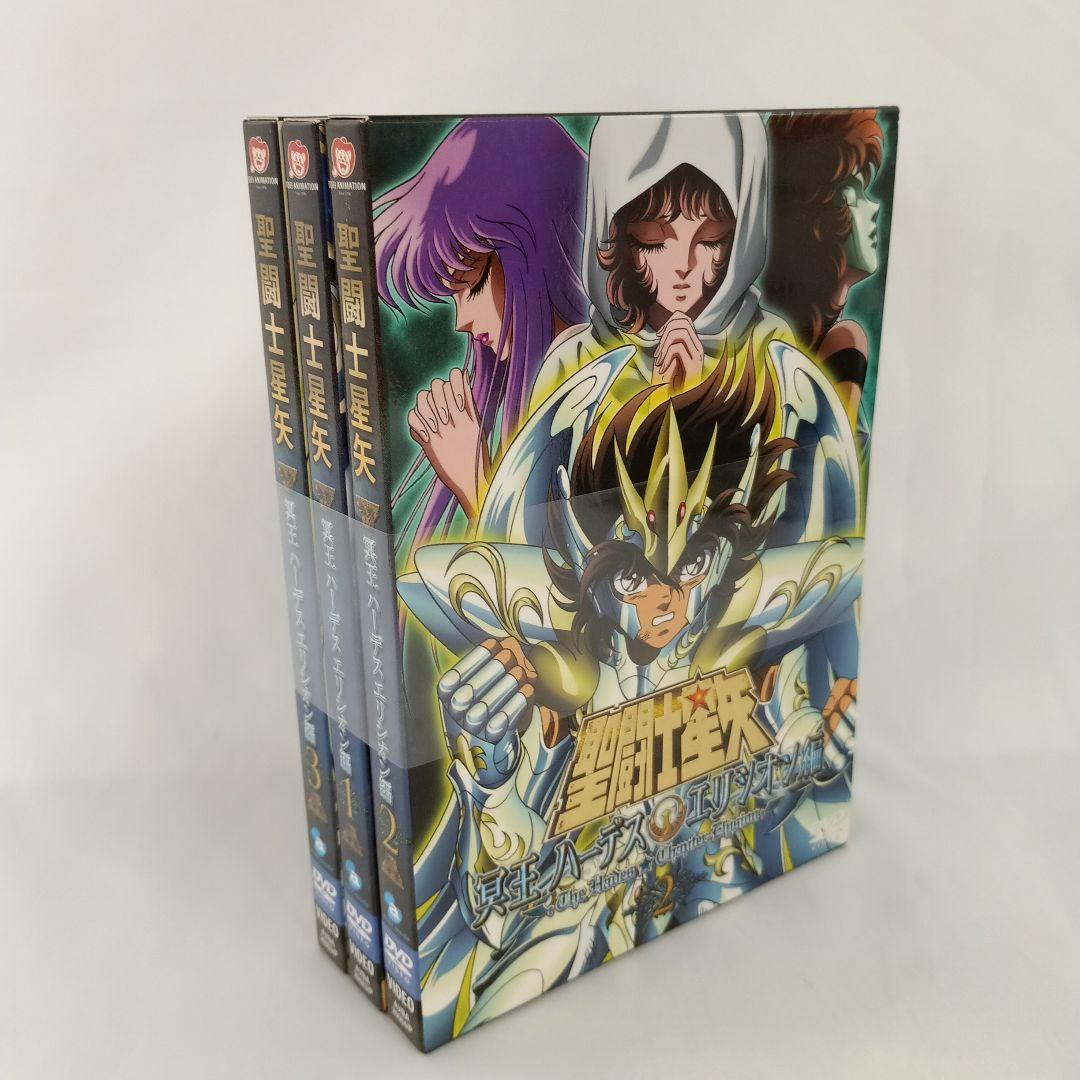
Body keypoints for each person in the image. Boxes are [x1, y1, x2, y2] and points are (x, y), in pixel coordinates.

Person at [373, 117, 589, 554]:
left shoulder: (603, 380)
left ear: (535, 251)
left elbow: (562, 579)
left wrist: (474, 481)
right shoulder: (550, 381)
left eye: (472, 286)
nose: (462, 322)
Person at [530, 112, 795, 420]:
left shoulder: (771, 350)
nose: (684, 264)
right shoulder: (575, 365)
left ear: (742, 239)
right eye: (653, 241)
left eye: (711, 239)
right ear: (620, 240)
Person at [762, 109, 884, 427]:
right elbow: (836, 456)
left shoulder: (770, 336)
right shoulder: (845, 341)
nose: (874, 207)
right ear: (818, 219)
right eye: (855, 193)